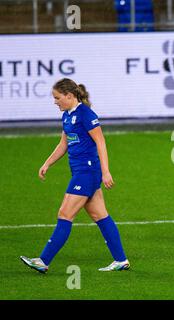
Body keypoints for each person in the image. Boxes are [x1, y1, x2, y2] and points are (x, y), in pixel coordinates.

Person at [20, 78, 130, 273]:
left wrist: (105, 172)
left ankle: (43, 260)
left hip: (87, 172)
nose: (55, 102)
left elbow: (101, 142)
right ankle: (121, 260)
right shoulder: (67, 116)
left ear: (69, 96)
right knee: (100, 215)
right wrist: (48, 163)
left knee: (65, 213)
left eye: (57, 98)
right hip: (81, 172)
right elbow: (64, 144)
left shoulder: (86, 115)